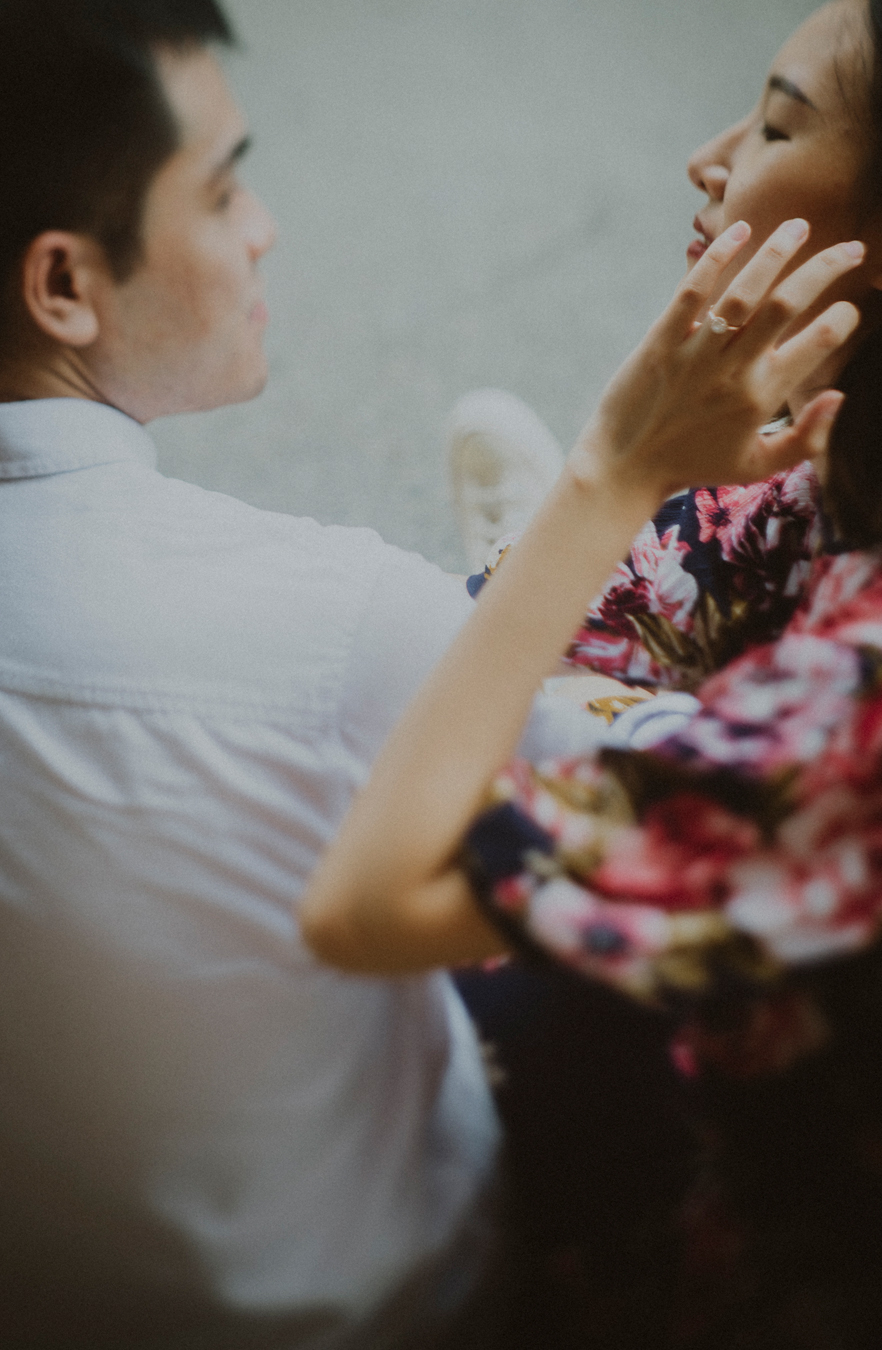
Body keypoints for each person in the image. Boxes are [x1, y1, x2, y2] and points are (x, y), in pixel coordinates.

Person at [304, 0, 882, 1343]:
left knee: (373, 1000)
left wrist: (610, 469)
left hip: (749, 1264)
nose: (709, 156)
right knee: (512, 636)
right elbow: (497, 631)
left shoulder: (867, 708)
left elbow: (363, 903)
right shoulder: (845, 465)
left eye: (774, 122)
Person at [0, 3, 511, 1346]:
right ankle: (511, 599)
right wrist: (629, 466)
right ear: (63, 285)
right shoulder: (325, 607)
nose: (265, 224)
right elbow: (687, 807)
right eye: (224, 188)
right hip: (391, 1294)